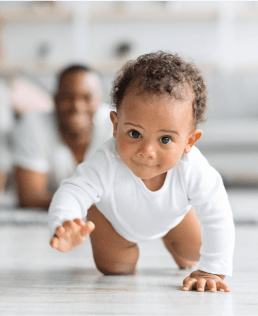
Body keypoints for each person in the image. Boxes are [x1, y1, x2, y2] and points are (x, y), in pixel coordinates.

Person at [48, 51, 235, 293]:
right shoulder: (106, 161)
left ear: (190, 141)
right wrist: (65, 221)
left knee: (194, 251)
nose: (147, 151)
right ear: (116, 125)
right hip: (115, 222)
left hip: (172, 217)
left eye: (165, 139)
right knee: (115, 268)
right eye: (135, 134)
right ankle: (119, 242)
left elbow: (218, 214)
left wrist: (212, 270)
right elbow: (73, 191)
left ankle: (173, 241)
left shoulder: (192, 168)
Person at [13, 65, 113, 209]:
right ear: (55, 99)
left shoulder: (117, 125)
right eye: (68, 98)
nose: (77, 106)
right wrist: (91, 202)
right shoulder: (32, 125)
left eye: (87, 98)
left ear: (100, 101)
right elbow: (29, 196)